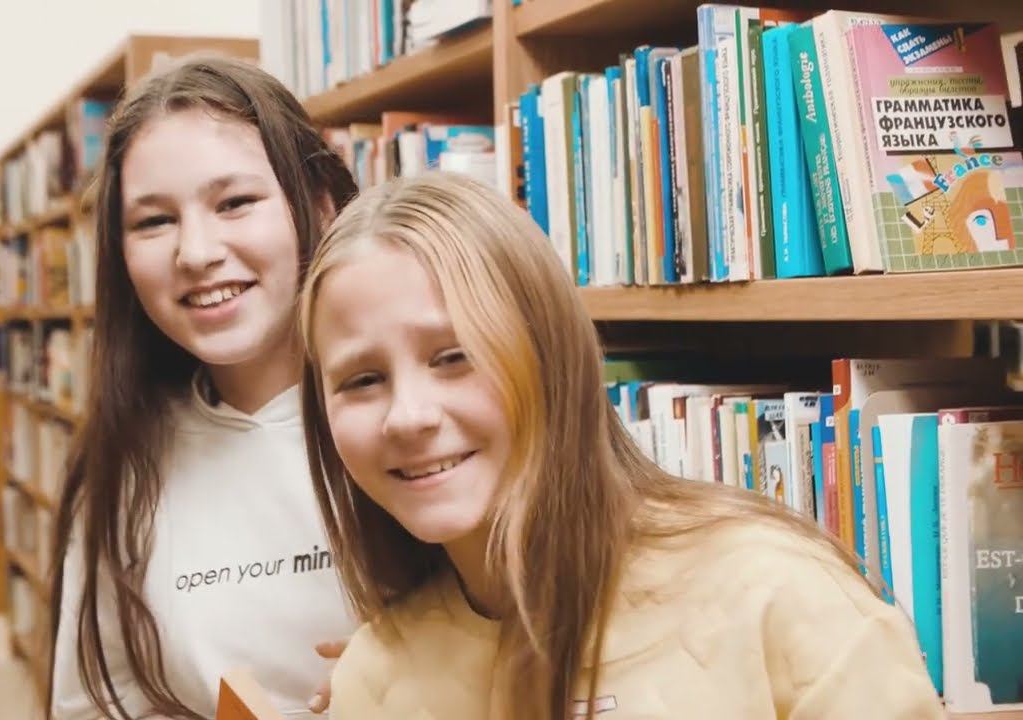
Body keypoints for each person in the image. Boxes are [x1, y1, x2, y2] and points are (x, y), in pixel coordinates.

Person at [296, 172, 944, 719]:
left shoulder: (775, 593)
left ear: (550, 358)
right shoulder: (374, 679)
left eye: (454, 356)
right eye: (362, 380)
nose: (408, 416)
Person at [47, 53, 359, 720]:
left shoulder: (415, 423)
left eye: (235, 203)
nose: (195, 252)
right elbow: (96, 702)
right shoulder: (124, 461)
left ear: (320, 204)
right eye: (153, 221)